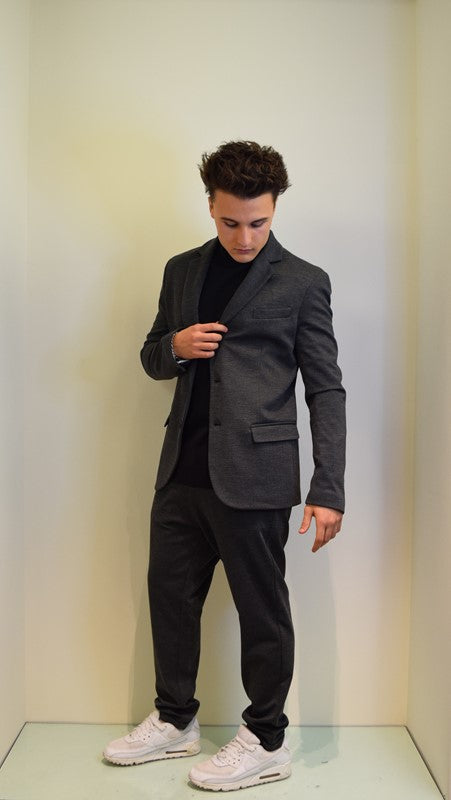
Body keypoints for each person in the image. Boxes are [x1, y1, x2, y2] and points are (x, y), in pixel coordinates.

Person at [104, 141, 346, 791]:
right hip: (180, 470)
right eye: (230, 221)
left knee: (262, 611)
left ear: (275, 209)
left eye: (258, 222)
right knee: (170, 600)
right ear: (210, 206)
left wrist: (328, 487)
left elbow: (325, 389)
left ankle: (266, 739)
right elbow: (151, 356)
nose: (244, 237)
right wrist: (177, 346)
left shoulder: (302, 281)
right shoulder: (181, 271)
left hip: (256, 476)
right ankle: (174, 719)